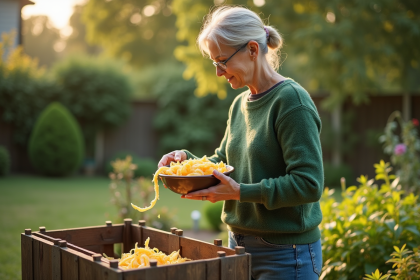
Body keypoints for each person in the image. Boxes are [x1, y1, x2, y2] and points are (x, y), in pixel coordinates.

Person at [158, 6, 323, 280]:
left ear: (252, 50)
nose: (219, 73)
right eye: (215, 63)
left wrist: (240, 192)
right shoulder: (239, 105)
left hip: (285, 254)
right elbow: (223, 161)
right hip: (239, 247)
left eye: (222, 61)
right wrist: (186, 163)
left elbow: (309, 184)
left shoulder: (292, 102)